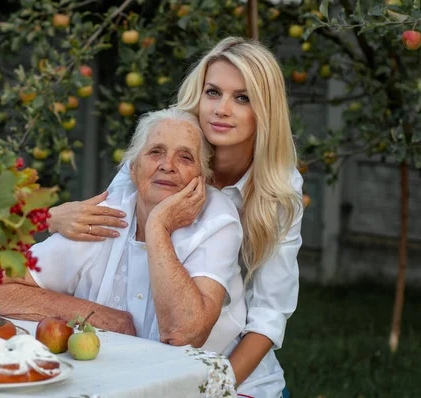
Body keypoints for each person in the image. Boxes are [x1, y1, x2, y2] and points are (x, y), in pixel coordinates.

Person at [47, 36, 303, 398]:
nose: (222, 109)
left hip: (232, 372)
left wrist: (214, 387)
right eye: (213, 93)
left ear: (265, 110)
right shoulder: (160, 157)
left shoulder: (278, 188)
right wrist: (50, 218)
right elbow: (107, 238)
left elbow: (269, 314)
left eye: (242, 98)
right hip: (150, 361)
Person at [0, 107, 247, 356]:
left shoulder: (216, 221)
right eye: (155, 152)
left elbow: (183, 334)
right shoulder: (107, 216)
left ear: (202, 178)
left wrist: (157, 227)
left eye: (185, 157)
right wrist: (96, 315)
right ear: (133, 170)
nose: (168, 165)